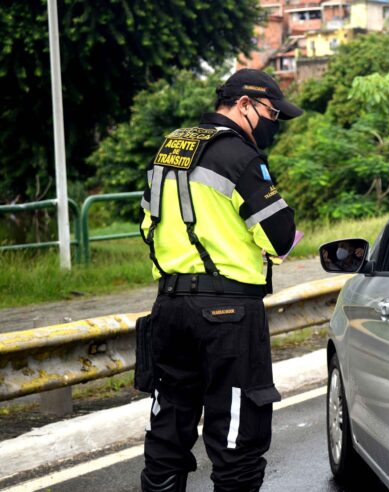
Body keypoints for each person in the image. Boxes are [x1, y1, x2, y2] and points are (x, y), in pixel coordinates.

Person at [138, 69, 302, 492]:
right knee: (236, 440)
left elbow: (146, 227)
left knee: (168, 431)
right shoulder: (240, 157)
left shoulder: (168, 150)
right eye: (271, 114)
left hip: (169, 309)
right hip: (228, 316)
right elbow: (280, 234)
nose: (273, 124)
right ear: (244, 105)